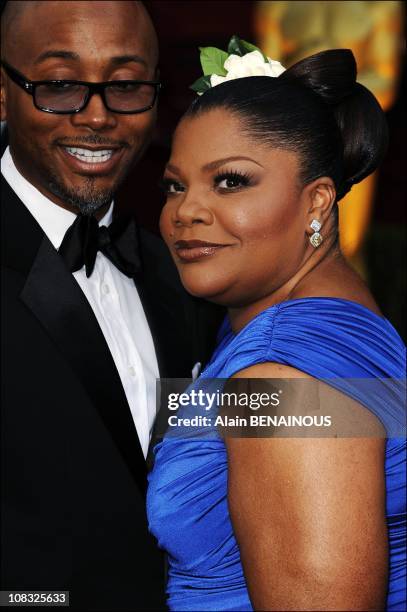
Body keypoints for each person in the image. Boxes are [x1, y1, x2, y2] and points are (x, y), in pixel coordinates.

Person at [147, 42, 406, 611]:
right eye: (174, 184)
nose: (185, 210)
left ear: (316, 202)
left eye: (231, 181)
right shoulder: (342, 323)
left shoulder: (279, 376)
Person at [0, 2, 221, 610]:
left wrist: (362, 407)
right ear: (3, 93)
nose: (97, 117)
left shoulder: (185, 274)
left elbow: (234, 417)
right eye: (62, 85)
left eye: (124, 86)